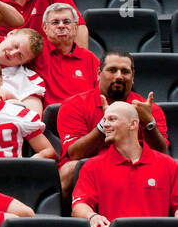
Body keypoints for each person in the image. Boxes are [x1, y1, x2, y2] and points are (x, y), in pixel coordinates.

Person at [57, 50, 169, 197]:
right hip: (92, 168)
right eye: (112, 70)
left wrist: (148, 123)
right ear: (98, 73)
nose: (119, 76)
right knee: (71, 169)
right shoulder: (75, 105)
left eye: (125, 72)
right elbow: (75, 153)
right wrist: (106, 123)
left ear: (132, 77)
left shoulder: (148, 108)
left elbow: (161, 153)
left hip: (136, 168)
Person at [72, 101, 178, 227]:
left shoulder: (168, 165)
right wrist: (92, 216)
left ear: (133, 124)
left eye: (112, 119)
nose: (105, 125)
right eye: (104, 120)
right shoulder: (92, 166)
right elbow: (80, 204)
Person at [30, 3, 100, 106]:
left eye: (66, 22)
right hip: (48, 117)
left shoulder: (90, 59)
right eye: (55, 22)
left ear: (76, 27)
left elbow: (101, 95)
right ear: (45, 27)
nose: (61, 25)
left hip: (82, 117)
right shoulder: (34, 51)